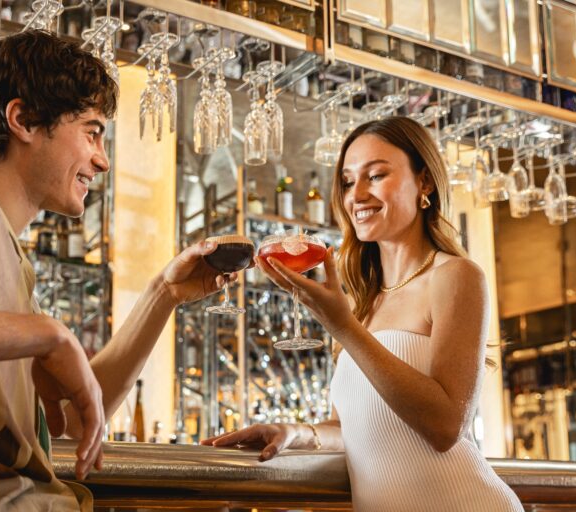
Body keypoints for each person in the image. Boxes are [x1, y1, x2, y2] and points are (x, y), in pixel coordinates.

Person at [0, 30, 231, 511]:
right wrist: (48, 335)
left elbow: (76, 421)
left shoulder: (8, 255)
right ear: (23, 120)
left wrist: (163, 294)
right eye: (91, 131)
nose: (102, 161)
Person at [203, 117, 523, 511]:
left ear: (424, 182)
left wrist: (342, 326)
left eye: (376, 176)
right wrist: (296, 432)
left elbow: (446, 427)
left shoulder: (455, 276)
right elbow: (349, 429)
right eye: (347, 182)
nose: (357, 195)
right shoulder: (363, 303)